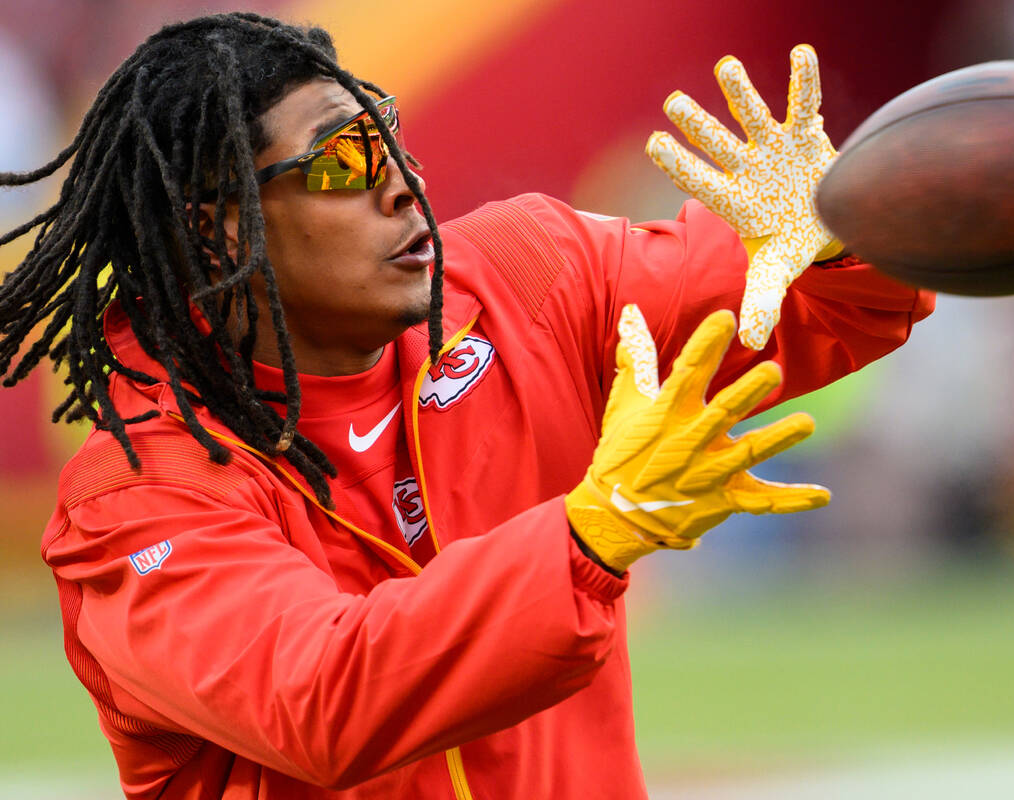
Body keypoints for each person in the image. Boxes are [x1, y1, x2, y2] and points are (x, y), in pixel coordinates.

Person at [0, 12, 934, 799]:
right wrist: (588, 540)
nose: (400, 180)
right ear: (219, 226)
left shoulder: (526, 277)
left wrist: (851, 227)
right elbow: (324, 697)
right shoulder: (136, 500)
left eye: (389, 133)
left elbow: (823, 302)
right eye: (343, 160)